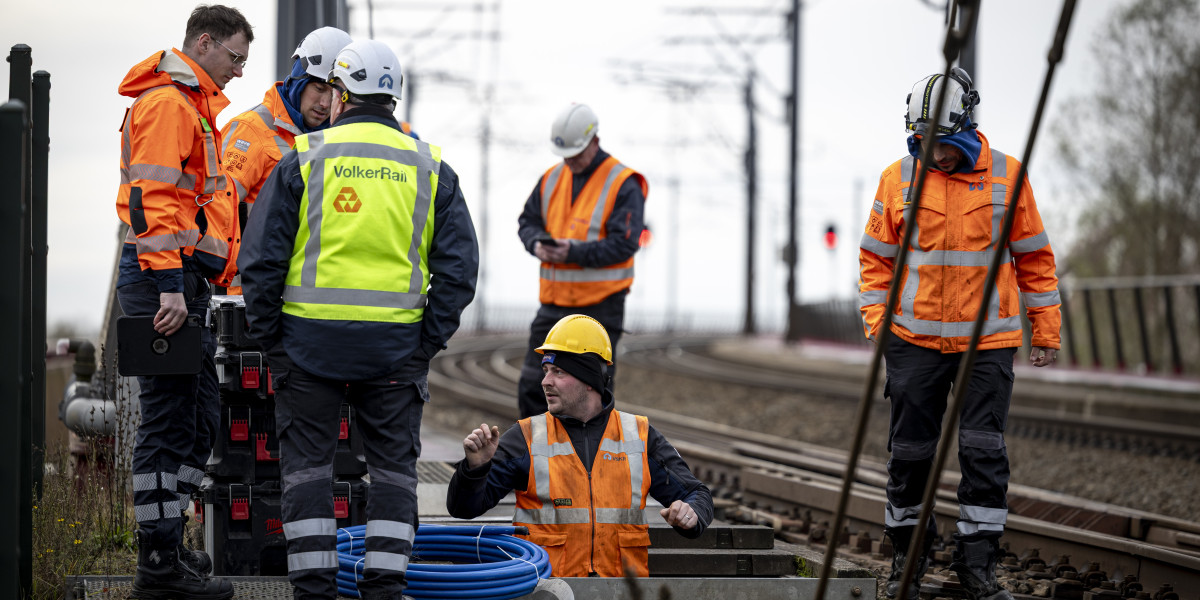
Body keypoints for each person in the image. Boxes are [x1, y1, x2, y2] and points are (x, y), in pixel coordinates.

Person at [238, 39, 479, 600]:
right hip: (395, 352)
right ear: (394, 98)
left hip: (307, 348)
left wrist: (275, 344)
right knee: (394, 473)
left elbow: (260, 262)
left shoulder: (305, 156)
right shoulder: (429, 167)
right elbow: (459, 272)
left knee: (307, 473)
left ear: (341, 94)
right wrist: (425, 344)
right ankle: (385, 588)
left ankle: (315, 590)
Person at [857, 68, 1061, 600]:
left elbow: (1035, 258)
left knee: (983, 452)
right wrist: (878, 325)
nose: (932, 153)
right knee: (910, 453)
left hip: (987, 345)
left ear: (966, 127)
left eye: (942, 144)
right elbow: (875, 261)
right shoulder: (896, 179)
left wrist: (1046, 331)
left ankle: (978, 566)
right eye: (922, 141)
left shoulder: (1008, 178)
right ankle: (907, 557)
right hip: (913, 342)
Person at [114, 5, 253, 598]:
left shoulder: (191, 108)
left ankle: (171, 542)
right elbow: (151, 199)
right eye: (235, 57)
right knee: (168, 425)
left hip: (179, 283)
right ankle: (158, 568)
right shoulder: (170, 106)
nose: (240, 72)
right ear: (205, 41)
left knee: (199, 422)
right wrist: (170, 281)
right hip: (158, 282)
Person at [446, 314, 713, 578]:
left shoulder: (639, 436)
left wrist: (690, 516)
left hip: (620, 593)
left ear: (589, 380)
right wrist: (475, 469)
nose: (545, 381)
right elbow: (463, 508)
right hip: (547, 593)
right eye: (545, 370)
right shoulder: (526, 437)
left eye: (558, 372)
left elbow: (697, 494)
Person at [515, 103, 648, 418]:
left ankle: (589, 461)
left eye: (576, 153)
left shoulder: (622, 183)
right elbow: (527, 222)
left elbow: (624, 243)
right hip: (554, 305)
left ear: (594, 141)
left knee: (590, 393)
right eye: (565, 155)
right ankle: (534, 460)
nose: (571, 161)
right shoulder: (551, 179)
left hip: (600, 306)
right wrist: (537, 244)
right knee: (535, 384)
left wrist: (571, 253)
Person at [219, 26, 351, 294]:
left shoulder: (334, 141)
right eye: (318, 88)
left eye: (334, 93)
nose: (325, 103)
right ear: (299, 80)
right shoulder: (251, 130)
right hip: (247, 297)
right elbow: (218, 211)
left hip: (301, 299)